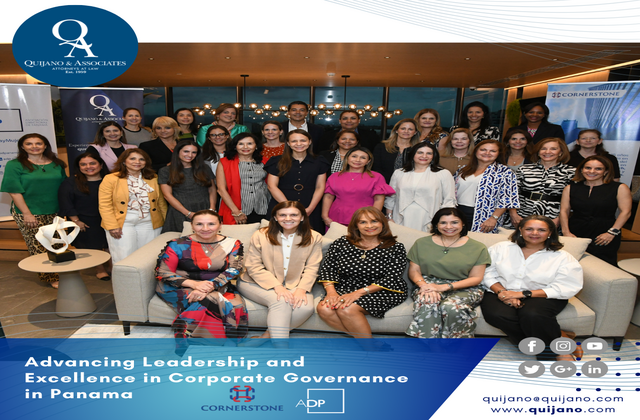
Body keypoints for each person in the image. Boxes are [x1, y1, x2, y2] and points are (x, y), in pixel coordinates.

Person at [482, 215, 583, 361]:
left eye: (541, 230)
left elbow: (567, 286)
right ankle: (559, 337)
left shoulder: (562, 257)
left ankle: (556, 353)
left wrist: (523, 294)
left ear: (550, 232)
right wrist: (503, 292)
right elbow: (486, 272)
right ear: (520, 230)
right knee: (497, 315)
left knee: (532, 315)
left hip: (542, 295)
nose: (535, 233)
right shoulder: (501, 248)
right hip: (501, 289)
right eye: (529, 229)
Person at [155, 210, 247, 347]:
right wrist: (194, 285)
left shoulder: (232, 243)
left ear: (220, 225)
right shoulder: (177, 244)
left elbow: (234, 269)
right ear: (192, 226)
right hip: (179, 285)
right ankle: (207, 346)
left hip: (218, 284)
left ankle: (196, 341)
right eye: (199, 224)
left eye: (211, 224)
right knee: (211, 300)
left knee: (234, 304)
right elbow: (163, 271)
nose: (205, 228)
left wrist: (210, 286)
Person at [237, 201, 323, 345]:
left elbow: (312, 267)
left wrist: (301, 289)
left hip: (294, 283)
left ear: (302, 217)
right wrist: (277, 286)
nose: (288, 218)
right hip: (254, 282)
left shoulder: (314, 237)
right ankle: (282, 348)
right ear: (275, 217)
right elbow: (253, 266)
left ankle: (265, 337)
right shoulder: (261, 235)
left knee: (305, 308)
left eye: (294, 215)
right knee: (281, 301)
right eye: (282, 215)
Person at [317, 207, 407, 338]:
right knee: (324, 309)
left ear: (382, 223)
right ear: (356, 226)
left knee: (347, 309)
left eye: (374, 221)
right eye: (363, 222)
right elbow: (328, 268)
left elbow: (392, 278)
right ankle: (366, 341)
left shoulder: (395, 247)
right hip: (347, 286)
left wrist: (357, 293)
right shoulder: (341, 243)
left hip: (381, 290)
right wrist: (331, 292)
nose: (369, 226)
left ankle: (369, 347)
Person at [406, 207, 490, 338]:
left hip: (465, 287)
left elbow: (476, 278)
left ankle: (456, 346)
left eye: (454, 222)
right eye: (443, 222)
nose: (449, 227)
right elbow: (414, 270)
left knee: (451, 307)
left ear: (463, 224)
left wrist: (444, 287)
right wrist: (424, 285)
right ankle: (428, 346)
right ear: (436, 225)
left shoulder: (478, 247)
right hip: (428, 283)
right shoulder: (421, 243)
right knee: (428, 302)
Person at [1, 134, 67, 287]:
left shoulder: (57, 164)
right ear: (22, 147)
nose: (34, 146)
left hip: (55, 211)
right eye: (29, 144)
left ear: (45, 145)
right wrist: (27, 214)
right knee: (38, 245)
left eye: (38, 143)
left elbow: (65, 187)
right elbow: (14, 191)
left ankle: (62, 272)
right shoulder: (14, 165)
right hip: (30, 211)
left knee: (58, 244)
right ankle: (51, 277)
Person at [560, 156, 632, 266]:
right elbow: (564, 211)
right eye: (588, 168)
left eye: (598, 169)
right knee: (570, 264)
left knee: (603, 266)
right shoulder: (570, 188)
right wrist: (566, 232)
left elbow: (626, 212)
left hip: (604, 233)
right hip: (576, 232)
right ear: (581, 170)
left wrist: (611, 232)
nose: (592, 171)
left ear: (606, 171)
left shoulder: (619, 187)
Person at [98, 149, 167, 264]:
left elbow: (161, 203)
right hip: (122, 223)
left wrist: (165, 222)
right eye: (132, 158)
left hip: (149, 222)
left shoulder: (153, 178)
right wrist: (112, 226)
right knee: (124, 256)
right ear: (124, 161)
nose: (137, 162)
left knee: (148, 256)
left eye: (141, 159)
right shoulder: (111, 179)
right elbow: (105, 204)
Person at [58, 152, 110, 280]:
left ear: (101, 165)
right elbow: (66, 202)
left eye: (92, 163)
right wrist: (76, 220)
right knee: (94, 247)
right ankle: (100, 269)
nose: (88, 167)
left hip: (108, 218)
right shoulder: (70, 182)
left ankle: (112, 267)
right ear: (79, 167)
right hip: (84, 220)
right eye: (83, 164)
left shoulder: (110, 180)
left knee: (110, 245)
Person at [265, 129, 329, 232]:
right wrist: (289, 208)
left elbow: (320, 187)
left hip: (310, 204)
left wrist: (310, 208)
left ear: (309, 142)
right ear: (288, 143)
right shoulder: (276, 161)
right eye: (294, 141)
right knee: (277, 236)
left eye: (303, 140)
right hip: (282, 202)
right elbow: (272, 186)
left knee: (311, 236)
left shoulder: (320, 161)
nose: (299, 144)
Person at [385, 142, 456, 232]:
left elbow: (449, 201)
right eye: (420, 152)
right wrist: (389, 218)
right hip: (400, 218)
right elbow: (391, 198)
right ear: (413, 154)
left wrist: (445, 222)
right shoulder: (399, 173)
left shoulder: (443, 173)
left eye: (429, 153)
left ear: (433, 156)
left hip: (430, 219)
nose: (424, 156)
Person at [454, 140, 519, 233]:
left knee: (480, 240)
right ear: (476, 151)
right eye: (483, 150)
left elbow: (506, 198)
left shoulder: (505, 172)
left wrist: (494, 218)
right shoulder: (463, 169)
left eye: (493, 151)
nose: (487, 153)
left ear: (498, 154)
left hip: (486, 216)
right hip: (458, 212)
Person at [509, 138, 575, 228]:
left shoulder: (570, 172)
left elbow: (573, 200)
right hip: (523, 214)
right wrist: (513, 214)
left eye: (553, 149)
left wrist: (560, 219)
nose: (547, 152)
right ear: (538, 152)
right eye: (543, 148)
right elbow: (512, 193)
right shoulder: (524, 169)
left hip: (553, 216)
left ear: (561, 152)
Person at [322, 147, 394, 227]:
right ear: (347, 158)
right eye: (354, 156)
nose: (357, 160)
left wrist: (372, 217)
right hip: (336, 217)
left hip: (365, 218)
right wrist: (325, 217)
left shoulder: (376, 177)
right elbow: (328, 197)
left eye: (363, 158)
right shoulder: (335, 176)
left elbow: (379, 199)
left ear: (368, 161)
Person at [159, 140, 216, 233]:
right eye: (186, 151)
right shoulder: (165, 171)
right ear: (178, 152)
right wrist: (188, 213)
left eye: (194, 152)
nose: (190, 155)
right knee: (182, 240)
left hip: (204, 209)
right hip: (180, 211)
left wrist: (212, 209)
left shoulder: (204, 168)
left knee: (206, 237)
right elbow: (167, 195)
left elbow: (212, 189)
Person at [217, 133, 270, 225]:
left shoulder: (265, 161)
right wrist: (236, 212)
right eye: (241, 144)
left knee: (262, 233)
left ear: (256, 146)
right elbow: (221, 189)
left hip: (262, 207)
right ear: (235, 146)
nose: (245, 147)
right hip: (237, 209)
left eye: (250, 143)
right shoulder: (225, 162)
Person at [373, 118, 421, 183]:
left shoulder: (418, 149)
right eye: (403, 128)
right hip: (383, 183)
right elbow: (376, 168)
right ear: (396, 130)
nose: (406, 131)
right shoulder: (382, 147)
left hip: (410, 184)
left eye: (410, 129)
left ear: (415, 132)